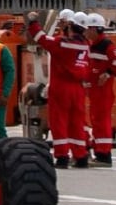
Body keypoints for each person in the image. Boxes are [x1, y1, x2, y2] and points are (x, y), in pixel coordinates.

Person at [30, 10, 90, 169]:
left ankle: (62, 156)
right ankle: (80, 156)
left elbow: (40, 38)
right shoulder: (86, 45)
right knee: (77, 123)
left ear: (70, 25)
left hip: (61, 87)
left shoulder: (62, 43)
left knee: (59, 122)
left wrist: (32, 23)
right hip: (78, 88)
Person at [81, 13, 116, 167]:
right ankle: (99, 151)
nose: (86, 32)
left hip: (103, 91)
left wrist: (108, 73)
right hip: (95, 91)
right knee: (96, 120)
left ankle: (104, 155)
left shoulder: (106, 45)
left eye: (88, 29)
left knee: (101, 121)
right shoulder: (93, 45)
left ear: (95, 29)